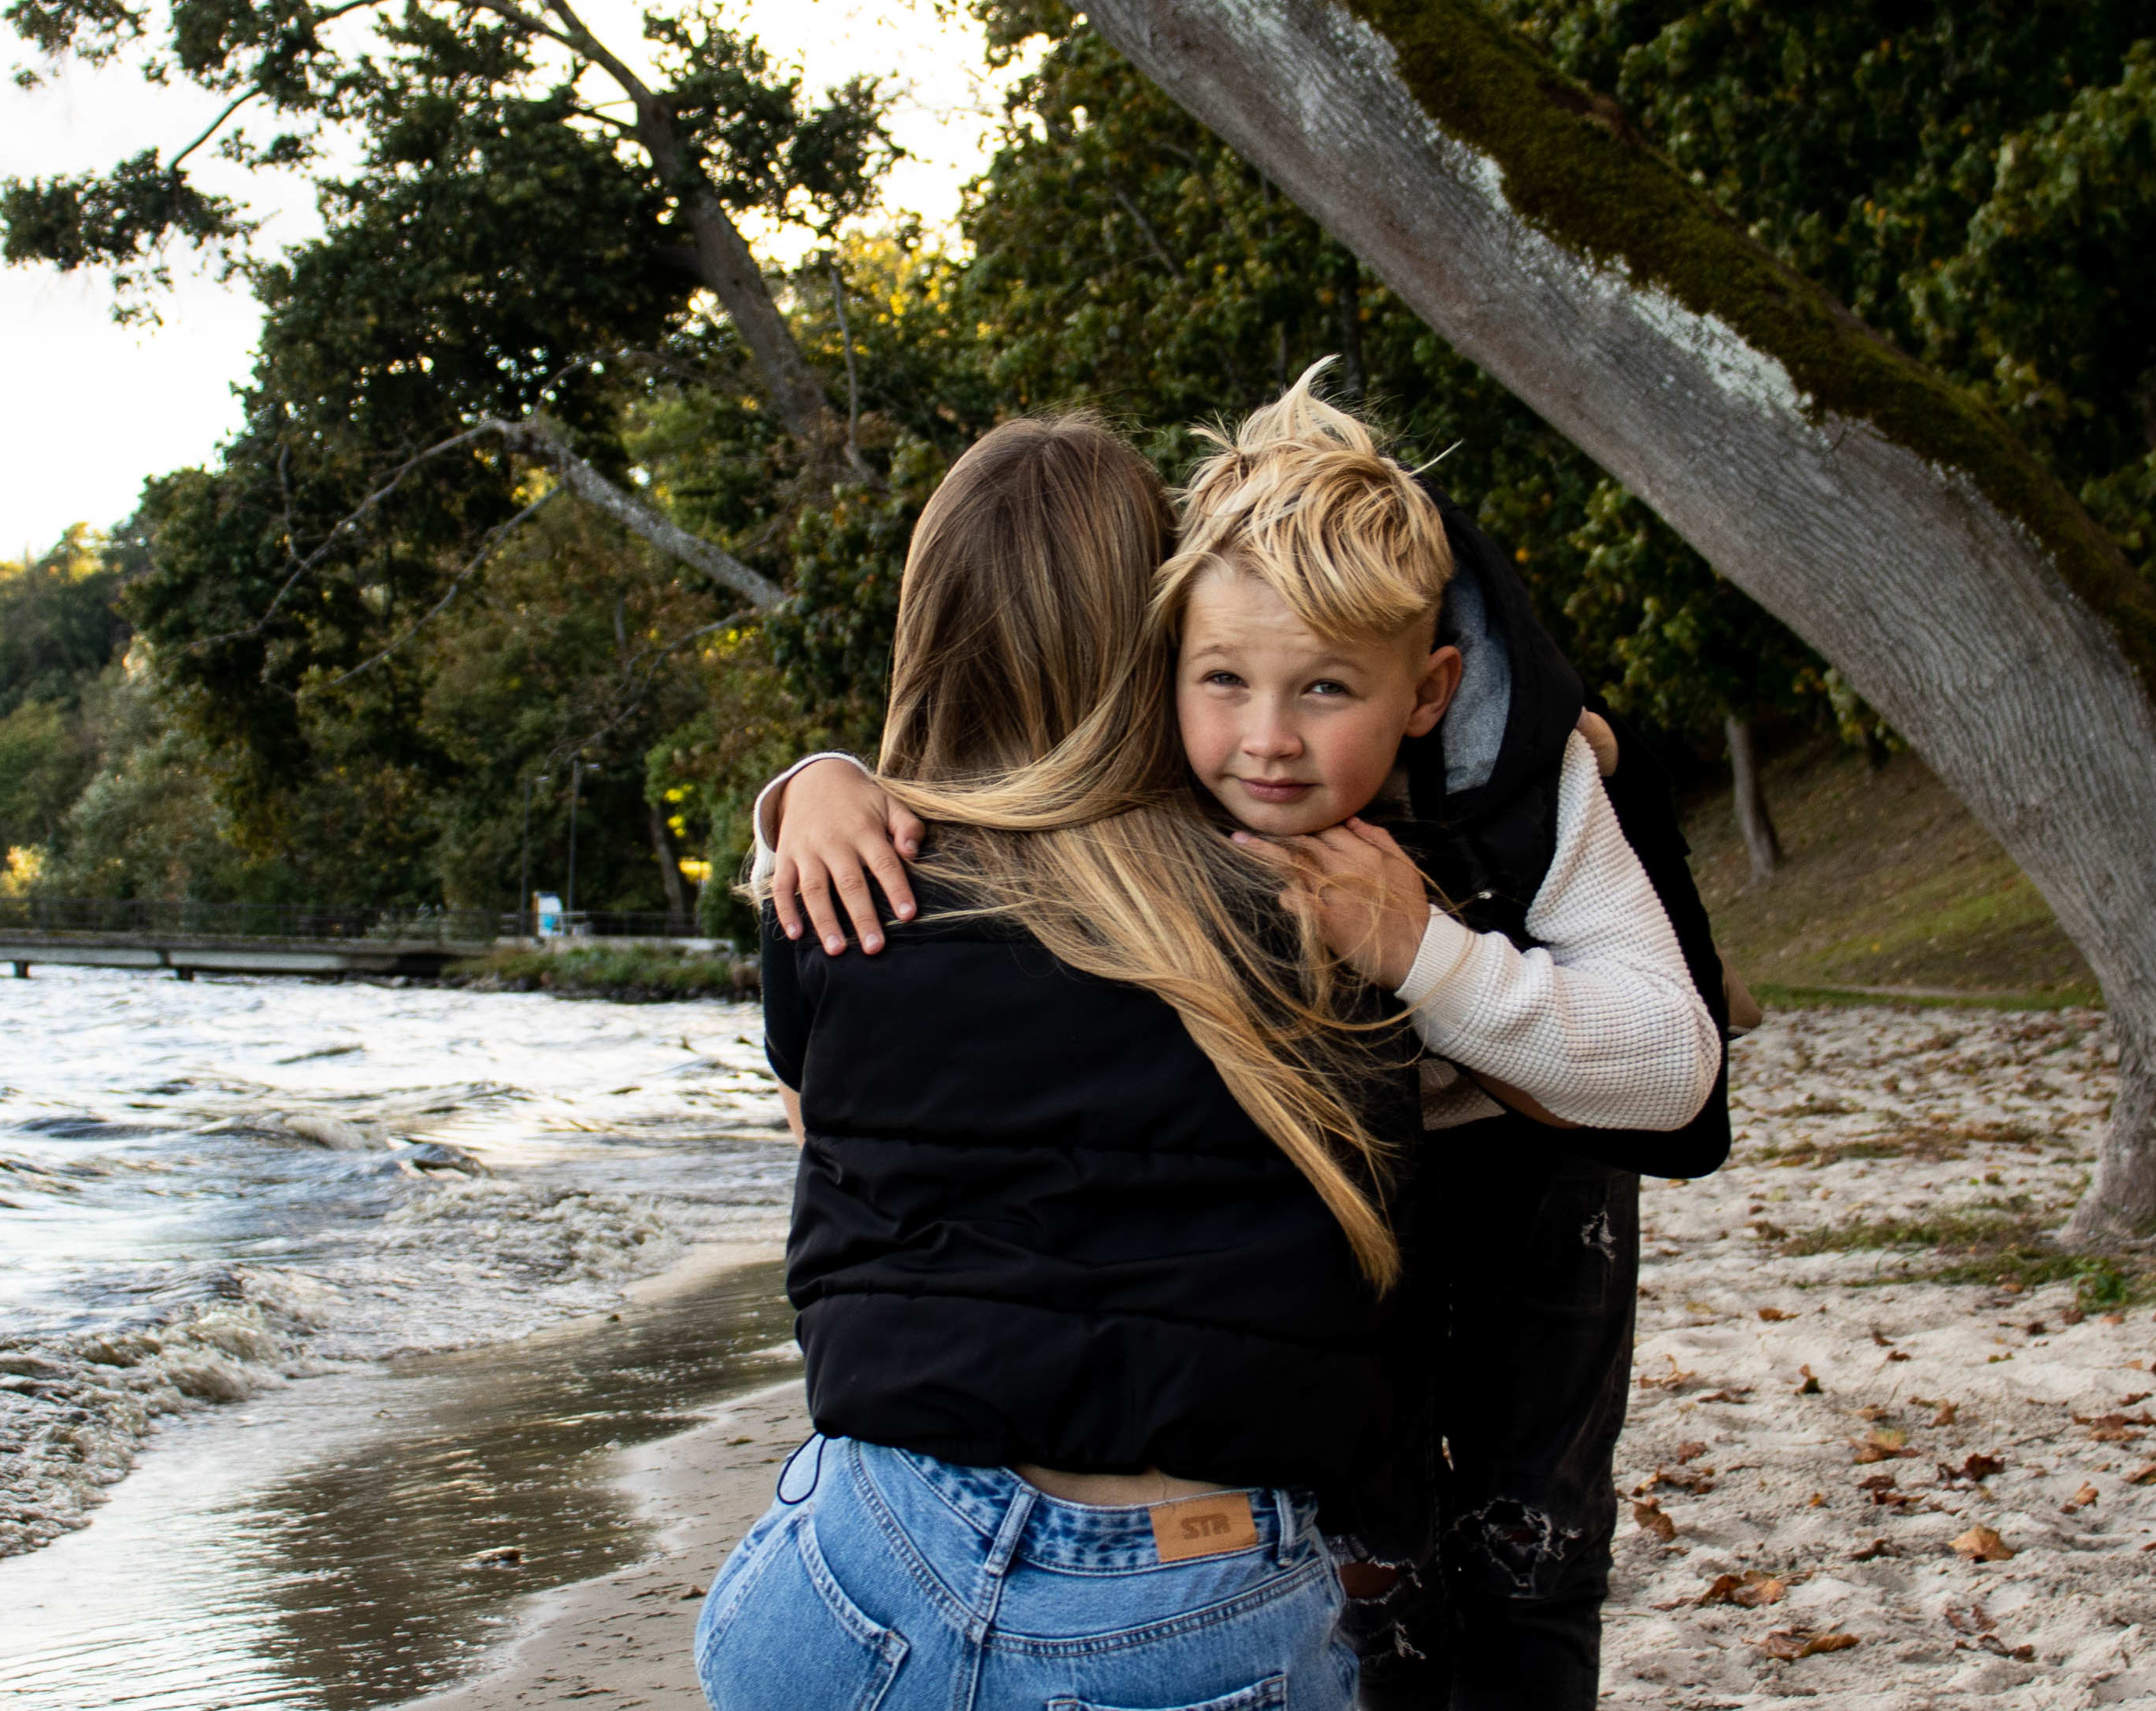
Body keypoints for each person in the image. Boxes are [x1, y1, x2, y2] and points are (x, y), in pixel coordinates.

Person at [766, 371, 1740, 1708]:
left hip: (1529, 1199)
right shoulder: (1191, 753)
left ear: (1428, 689)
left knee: (1532, 1567)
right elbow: (1006, 794)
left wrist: (1426, 954)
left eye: (1328, 689)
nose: (1268, 743)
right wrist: (815, 793)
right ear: (1156, 656)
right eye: (1220, 680)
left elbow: (1673, 1067)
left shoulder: (1518, 774)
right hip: (1314, 1248)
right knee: (1371, 1584)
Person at [695, 415, 1413, 1711]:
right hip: (1191, 1595)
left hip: (862, 1563)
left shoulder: (842, 895)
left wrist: (811, 782)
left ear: (926, 624)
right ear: (1162, 626)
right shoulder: (1320, 907)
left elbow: (824, 1139)